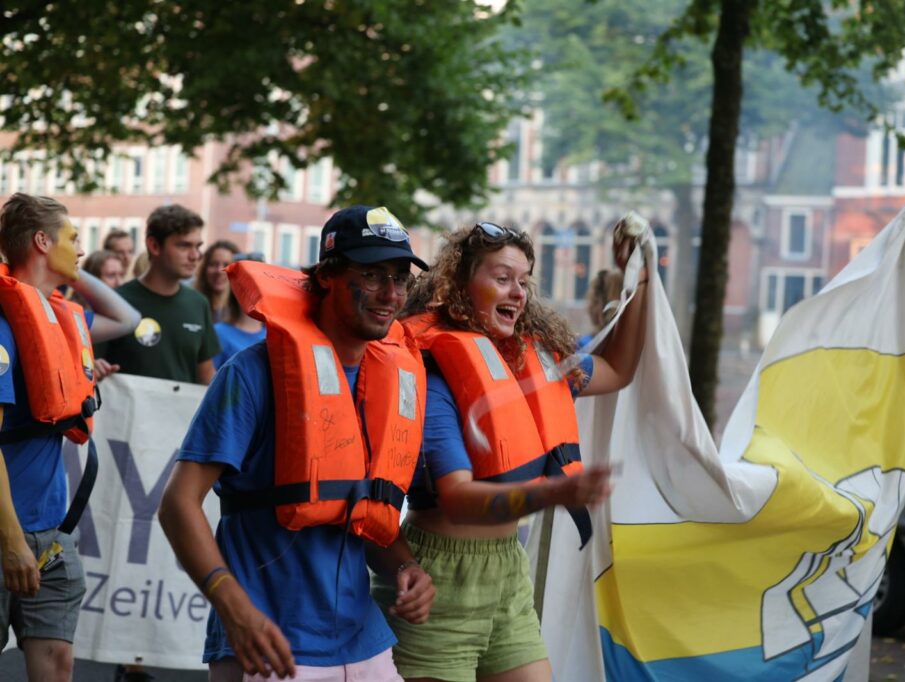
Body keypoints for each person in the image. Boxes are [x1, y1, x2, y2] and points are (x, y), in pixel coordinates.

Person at [159, 205, 436, 682]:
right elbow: (178, 504)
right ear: (327, 275)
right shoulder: (252, 374)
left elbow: (363, 510)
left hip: (365, 642)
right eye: (372, 275)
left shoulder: (393, 382)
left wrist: (406, 566)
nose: (391, 293)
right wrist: (233, 607)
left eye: (399, 278)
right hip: (270, 646)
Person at [371, 218, 649, 681]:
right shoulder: (434, 370)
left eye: (524, 281)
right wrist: (553, 493)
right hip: (436, 580)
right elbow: (457, 498)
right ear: (459, 285)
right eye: (502, 279)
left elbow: (619, 369)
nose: (518, 293)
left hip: (507, 572)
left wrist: (639, 281)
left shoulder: (534, 358)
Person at [0, 193, 140, 682]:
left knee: (58, 665)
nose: (82, 249)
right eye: (73, 239)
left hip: (52, 535)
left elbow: (126, 319)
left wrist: (62, 271)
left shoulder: (57, 317)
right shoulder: (4, 325)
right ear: (43, 241)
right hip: (7, 532)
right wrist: (11, 541)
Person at [98, 204, 220, 384]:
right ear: (154, 246)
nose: (195, 255)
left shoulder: (198, 303)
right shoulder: (114, 301)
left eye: (198, 246)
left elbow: (206, 376)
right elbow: (90, 366)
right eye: (184, 246)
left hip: (184, 403)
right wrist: (94, 368)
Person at [194, 239, 240, 323]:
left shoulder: (244, 314)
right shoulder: (191, 305)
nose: (219, 271)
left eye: (227, 265)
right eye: (213, 264)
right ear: (204, 269)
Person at [578, 268, 623, 349]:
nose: (588, 307)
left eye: (592, 300)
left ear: (599, 303)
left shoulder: (583, 346)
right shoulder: (624, 343)